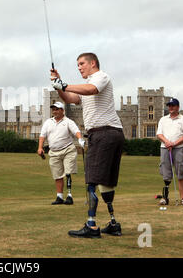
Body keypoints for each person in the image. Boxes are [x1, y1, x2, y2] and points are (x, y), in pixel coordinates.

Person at [50, 52, 125, 238]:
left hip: (103, 133)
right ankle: (113, 223)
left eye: (82, 63)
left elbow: (91, 89)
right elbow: (70, 99)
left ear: (93, 63)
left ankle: (91, 226)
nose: (79, 67)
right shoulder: (86, 86)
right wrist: (59, 85)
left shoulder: (100, 77)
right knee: (106, 181)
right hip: (112, 133)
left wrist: (65, 84)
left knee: (92, 179)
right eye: (77, 65)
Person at [38, 102, 85, 205]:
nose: (54, 111)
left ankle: (69, 195)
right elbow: (42, 135)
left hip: (68, 150)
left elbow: (76, 131)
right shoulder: (48, 122)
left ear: (62, 110)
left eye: (57, 109)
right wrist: (40, 147)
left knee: (68, 173)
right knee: (57, 175)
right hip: (54, 152)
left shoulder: (68, 121)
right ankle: (59, 197)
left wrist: (80, 139)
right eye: (53, 109)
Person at [156, 98, 183, 206]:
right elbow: (159, 134)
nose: (171, 107)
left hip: (179, 148)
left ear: (178, 107)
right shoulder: (163, 119)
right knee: (166, 174)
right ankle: (165, 198)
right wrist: (167, 142)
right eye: (169, 105)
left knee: (180, 173)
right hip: (165, 147)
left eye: (173, 105)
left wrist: (174, 143)